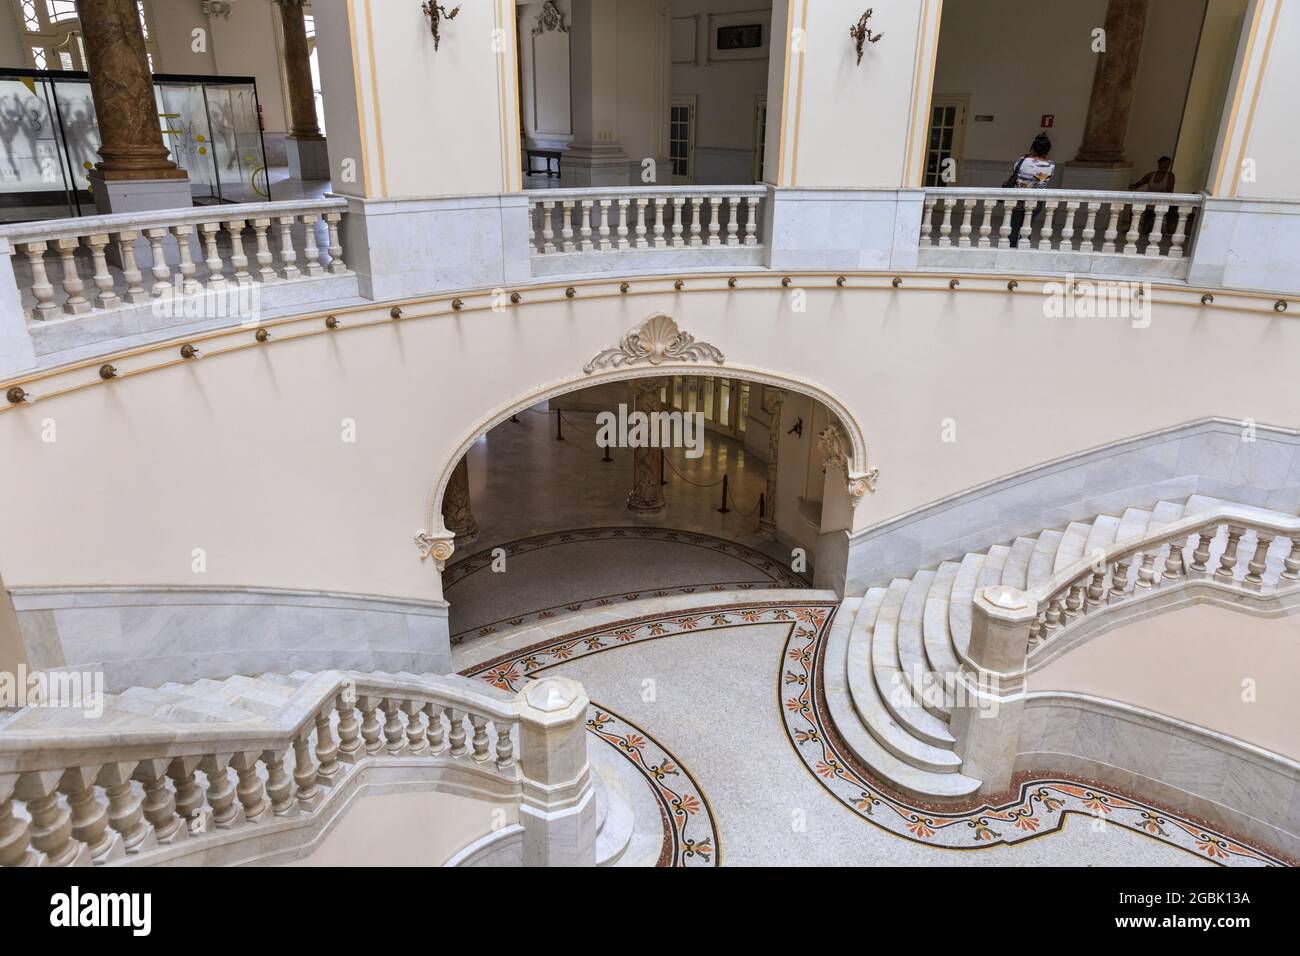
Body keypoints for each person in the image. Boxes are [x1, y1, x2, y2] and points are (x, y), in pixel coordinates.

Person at [1005, 133, 1055, 247]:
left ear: (1033, 147)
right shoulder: (1051, 165)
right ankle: (1023, 249)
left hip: (1018, 199)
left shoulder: (1022, 160)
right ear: (1047, 150)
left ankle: (1011, 249)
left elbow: (1014, 174)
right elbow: (1043, 183)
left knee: (1014, 228)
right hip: (1035, 201)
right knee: (1027, 228)